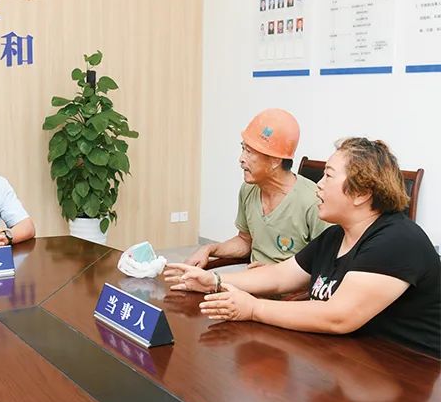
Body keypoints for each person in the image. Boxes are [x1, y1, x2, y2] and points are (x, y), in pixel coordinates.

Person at [166, 138, 440, 357]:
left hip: (410, 372)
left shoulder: (397, 241)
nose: (318, 185)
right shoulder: (336, 235)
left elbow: (338, 317)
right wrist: (214, 281)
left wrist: (253, 309)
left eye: (328, 176)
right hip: (349, 359)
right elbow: (280, 276)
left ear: (362, 193)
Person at [185, 109, 329, 268]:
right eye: (243, 148)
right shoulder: (248, 189)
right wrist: (209, 249)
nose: (241, 159)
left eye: (249, 152)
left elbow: (324, 267)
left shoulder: (314, 202)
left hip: (290, 284)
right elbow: (245, 240)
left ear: (275, 161)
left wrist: (272, 273)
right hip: (252, 279)